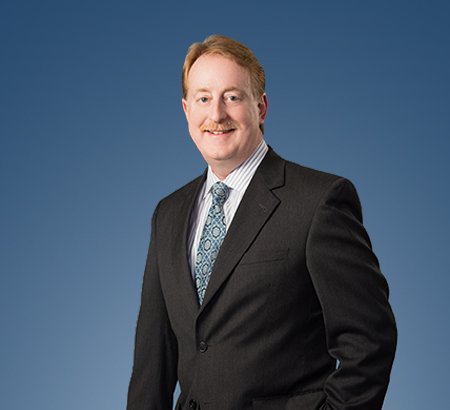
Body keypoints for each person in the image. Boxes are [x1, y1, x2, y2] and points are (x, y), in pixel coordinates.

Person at [127, 34, 397, 410]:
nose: (216, 114)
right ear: (186, 110)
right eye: (203, 98)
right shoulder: (168, 214)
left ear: (261, 107)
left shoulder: (318, 201)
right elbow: (152, 362)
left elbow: (369, 342)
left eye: (232, 97)